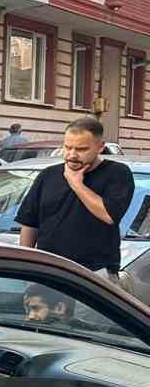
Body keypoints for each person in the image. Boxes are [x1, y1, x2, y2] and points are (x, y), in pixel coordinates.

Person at [15, 116, 134, 280]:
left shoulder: (117, 173)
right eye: (68, 147)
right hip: (49, 269)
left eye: (81, 149)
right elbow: (30, 223)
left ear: (100, 147)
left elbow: (108, 215)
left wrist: (76, 183)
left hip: (95, 272)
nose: (72, 154)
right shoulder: (48, 175)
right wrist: (26, 264)